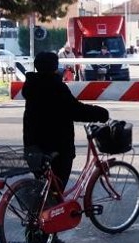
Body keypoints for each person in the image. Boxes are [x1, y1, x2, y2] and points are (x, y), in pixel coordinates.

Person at [22, 51, 109, 190]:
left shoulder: (31, 86)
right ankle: (52, 209)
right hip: (57, 148)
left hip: (33, 147)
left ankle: (42, 209)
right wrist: (100, 113)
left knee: (45, 188)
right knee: (57, 188)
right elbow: (75, 110)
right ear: (54, 67)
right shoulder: (56, 87)